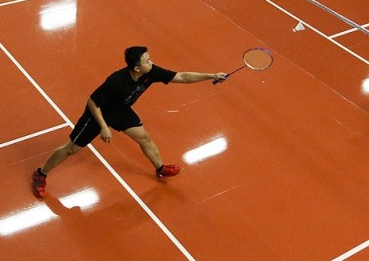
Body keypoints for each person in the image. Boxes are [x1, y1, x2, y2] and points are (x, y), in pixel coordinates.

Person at [31, 46, 227, 198]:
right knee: (72, 148)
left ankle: (160, 169)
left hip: (121, 110)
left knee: (145, 138)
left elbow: (182, 76)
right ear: (136, 68)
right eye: (147, 61)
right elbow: (92, 101)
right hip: (97, 114)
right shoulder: (117, 81)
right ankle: (41, 174)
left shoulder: (151, 72)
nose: (151, 62)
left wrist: (210, 76)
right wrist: (104, 127)